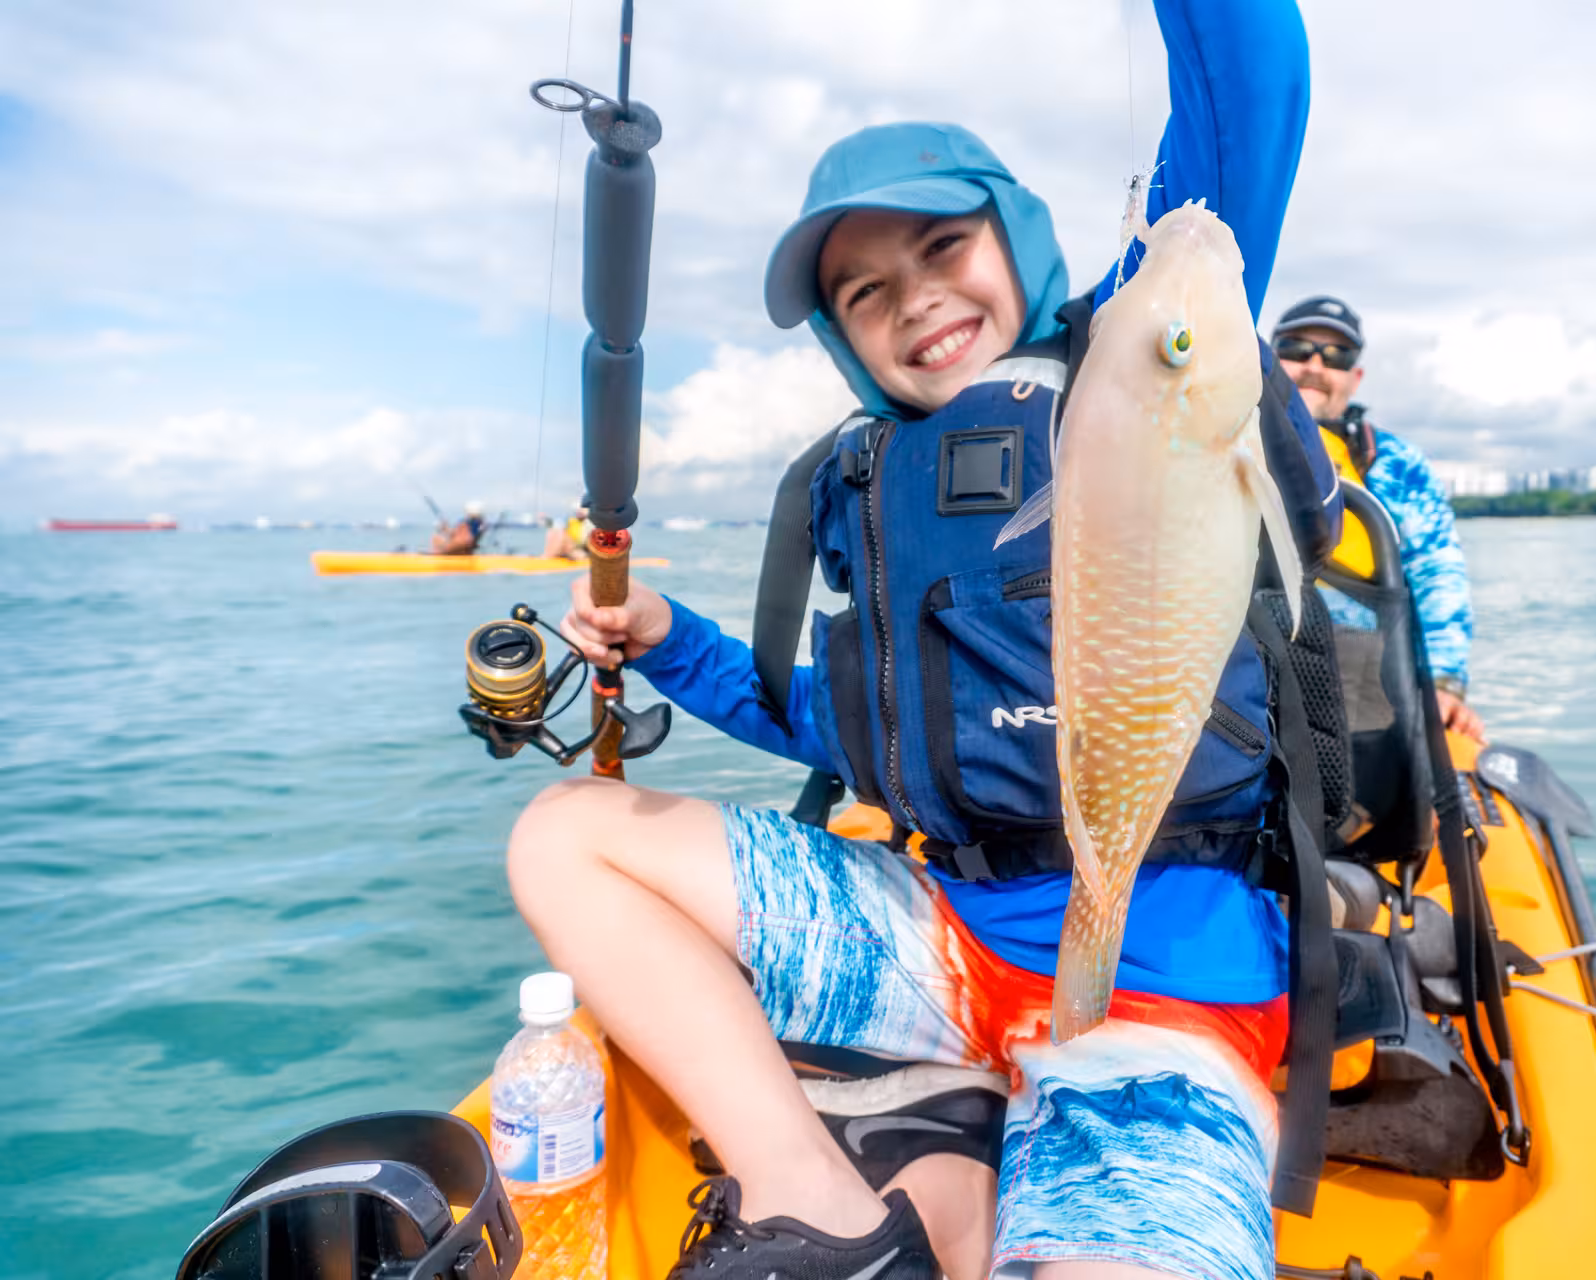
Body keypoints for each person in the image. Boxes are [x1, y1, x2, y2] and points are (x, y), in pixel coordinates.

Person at [508, 6, 1334, 1280]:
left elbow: (1254, 82)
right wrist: (669, 639)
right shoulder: (871, 486)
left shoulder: (1139, 351)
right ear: (843, 336)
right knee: (562, 835)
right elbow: (842, 722)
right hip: (940, 939)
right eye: (866, 291)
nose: (919, 299)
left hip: (1169, 979)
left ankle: (988, 1166)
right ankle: (816, 1194)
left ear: (1024, 239)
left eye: (948, 244)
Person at [1271, 296, 1485, 741]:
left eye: (1336, 356)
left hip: (1359, 681)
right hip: (1244, 661)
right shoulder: (1222, 439)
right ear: (1269, 359)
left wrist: (1445, 683)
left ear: (1356, 376)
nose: (1314, 365)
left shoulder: (1396, 463)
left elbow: (1437, 569)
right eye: (1296, 349)